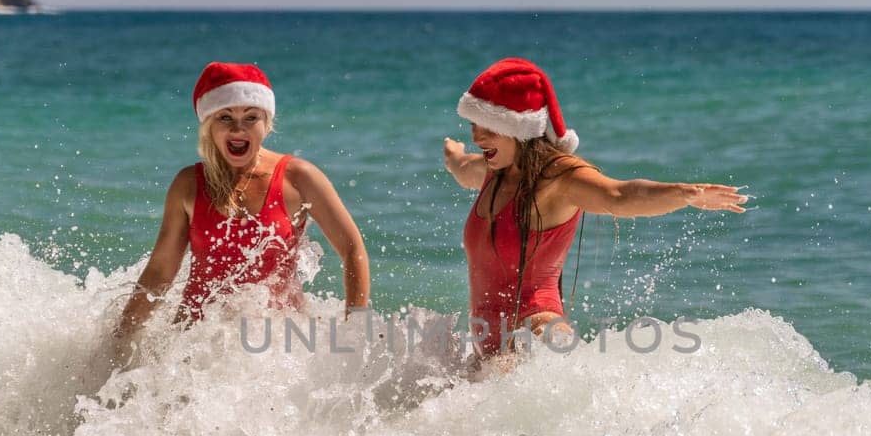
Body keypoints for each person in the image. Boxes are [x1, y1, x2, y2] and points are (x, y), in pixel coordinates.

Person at [443, 57, 747, 355]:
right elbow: (461, 167)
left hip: (537, 330)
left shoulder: (558, 178)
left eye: (488, 127)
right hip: (489, 352)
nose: (476, 136)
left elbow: (619, 195)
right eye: (473, 124)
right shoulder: (492, 171)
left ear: (518, 129)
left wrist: (684, 193)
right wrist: (453, 154)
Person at [115, 62, 369, 353]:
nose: (238, 128)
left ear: (267, 124)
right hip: (195, 342)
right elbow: (160, 270)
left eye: (251, 117)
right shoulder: (188, 185)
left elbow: (352, 249)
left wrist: (354, 332)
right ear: (209, 126)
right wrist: (121, 336)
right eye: (225, 117)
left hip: (279, 343)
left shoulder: (298, 178)